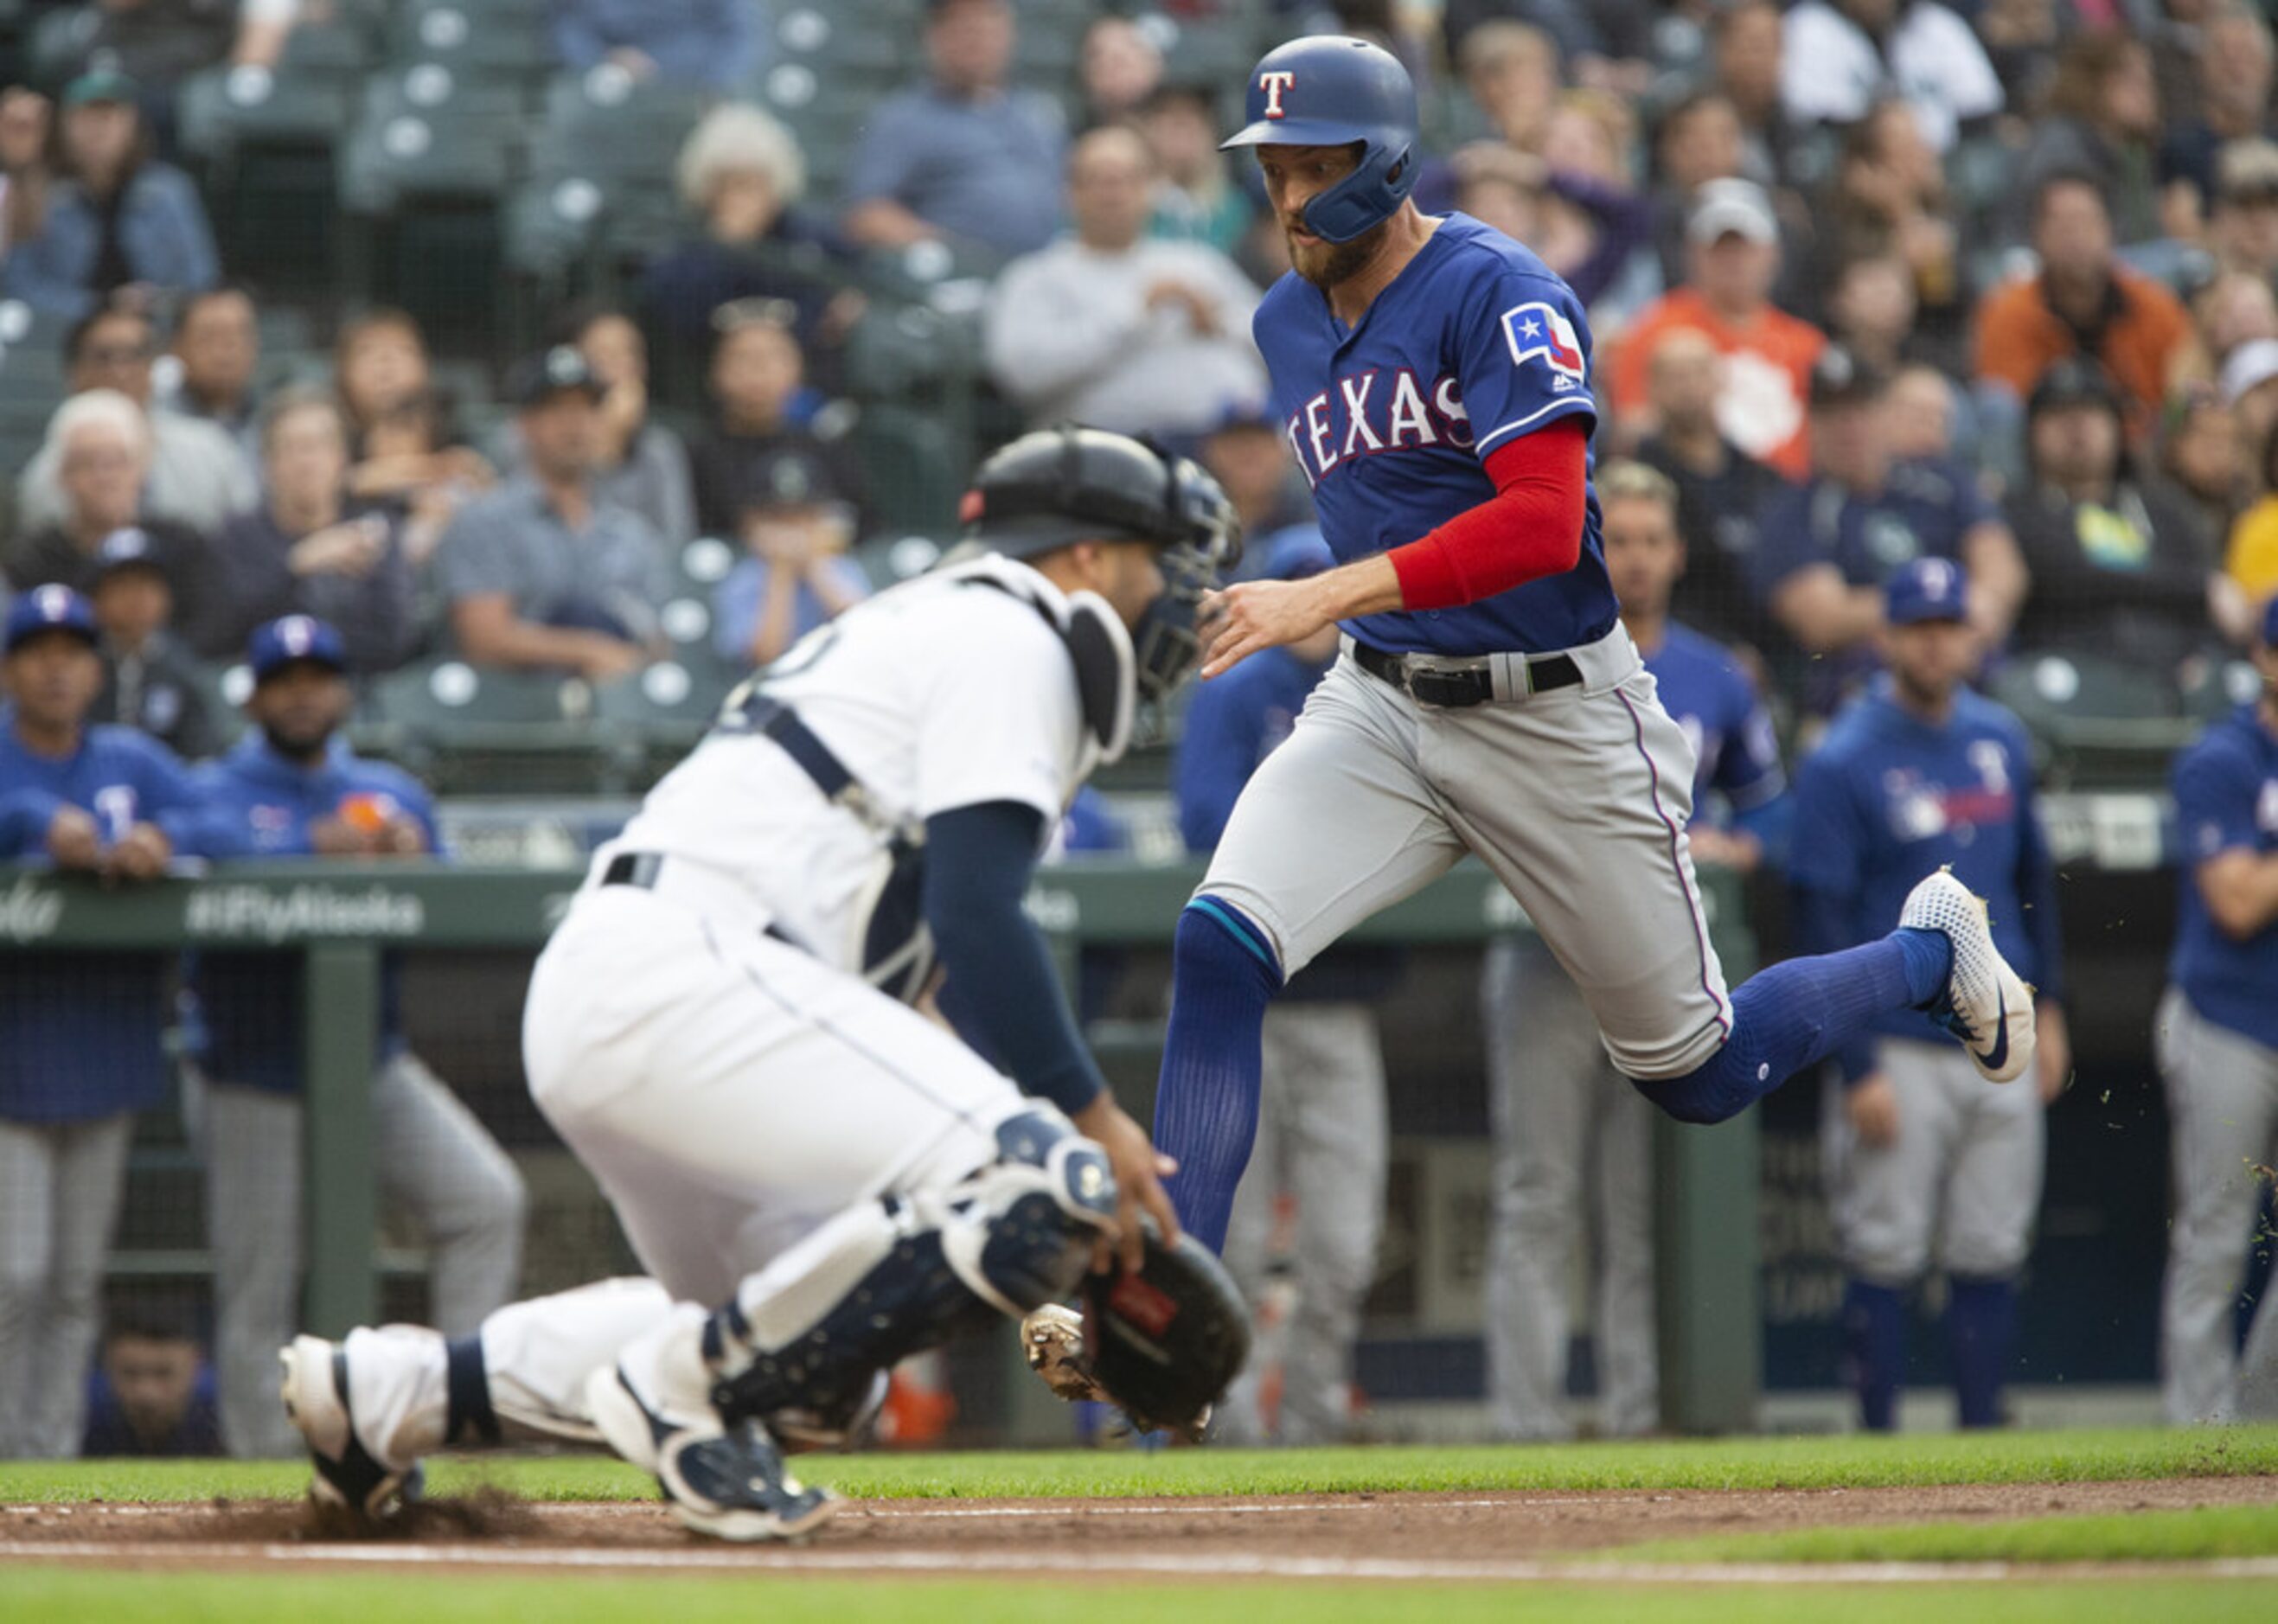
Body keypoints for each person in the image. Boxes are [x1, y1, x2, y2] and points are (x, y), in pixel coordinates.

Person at [1149, 40, 2038, 1285]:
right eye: (1274, 170)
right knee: (1216, 944)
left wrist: (1327, 590)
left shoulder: (1495, 287)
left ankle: (1926, 953)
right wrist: (1342, 607)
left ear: (1388, 160)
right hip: (1380, 704)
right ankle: (1167, 1292)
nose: (1292, 197)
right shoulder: (1282, 318)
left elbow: (1531, 522)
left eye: (1318, 166)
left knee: (1698, 1073)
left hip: (1555, 711)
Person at [275, 430, 1238, 1538]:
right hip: (697, 972)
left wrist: (1034, 1245)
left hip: (652, 983)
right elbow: (979, 913)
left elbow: (909, 989)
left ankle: (390, 1394)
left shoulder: (940, 625)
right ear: (1080, 557)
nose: (1175, 590)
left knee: (819, 1364)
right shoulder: (1010, 627)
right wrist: (1089, 1130)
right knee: (1034, 1182)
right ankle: (684, 1398)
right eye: (1158, 557)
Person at [1481, 460, 1786, 1442]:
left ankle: (1636, 1416)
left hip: (1660, 957)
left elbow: (1774, 810)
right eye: (1621, 538)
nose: (1639, 558)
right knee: (1539, 1196)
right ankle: (1522, 1428)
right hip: (1543, 959)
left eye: (1655, 539)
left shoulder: (1714, 672)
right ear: (1587, 541)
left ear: (1678, 553)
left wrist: (1737, 840)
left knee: (1638, 1210)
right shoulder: (1526, 642)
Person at [185, 615, 527, 1457]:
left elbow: (451, 895)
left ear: (342, 690)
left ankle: (463, 1421)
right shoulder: (217, 785)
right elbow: (195, 845)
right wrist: (309, 847)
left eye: (319, 677)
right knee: (259, 1285)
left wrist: (409, 856)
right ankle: (263, 1474)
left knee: (486, 1200)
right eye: (286, 679)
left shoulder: (388, 788)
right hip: (250, 1071)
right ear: (258, 695)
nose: (304, 694)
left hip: (370, 1062)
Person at [1791, 557, 2068, 1432]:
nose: (1936, 642)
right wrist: (1857, 1060)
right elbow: (1820, 915)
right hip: (1899, 1039)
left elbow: (2035, 880)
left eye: (1950, 625)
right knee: (1885, 1249)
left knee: (1990, 1247)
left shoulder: (2001, 737)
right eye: (1919, 626)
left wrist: (2051, 1006)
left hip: (2003, 1032)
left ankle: (1981, 1436)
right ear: (1887, 637)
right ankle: (1877, 1445)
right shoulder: (1843, 755)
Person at [0, 586, 228, 1459]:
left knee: (70, 1284)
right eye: (36, 649)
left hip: (107, 1047)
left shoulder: (130, 758)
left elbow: (224, 818)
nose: (56, 666)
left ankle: (43, 1461)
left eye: (73, 650)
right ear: (10, 667)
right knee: (13, 1277)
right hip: (12, 1056)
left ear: (97, 669)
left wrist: (163, 839)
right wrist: (29, 823)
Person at [1175, 531, 1393, 1448]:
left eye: (1325, 578)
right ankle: (1223, 1436)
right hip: (1250, 1008)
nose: (1313, 593)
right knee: (1234, 1236)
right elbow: (1204, 819)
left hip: (1344, 1001)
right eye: (1296, 578)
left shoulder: (1391, 676)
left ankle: (1309, 1427)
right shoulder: (1239, 684)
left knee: (1345, 1244)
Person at [1751, 348, 2026, 713]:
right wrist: (1942, 613)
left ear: (1885, 414)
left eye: (1860, 408)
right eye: (1832, 413)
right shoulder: (1791, 512)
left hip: (1970, 660)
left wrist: (1966, 621)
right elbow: (1824, 620)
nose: (1848, 426)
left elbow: (2003, 569)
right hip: (1862, 684)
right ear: (1811, 424)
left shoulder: (1941, 480)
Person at [2159, 598, 2278, 1423]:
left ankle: (2264, 1424)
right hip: (2229, 1022)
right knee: (2218, 1238)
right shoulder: (2223, 758)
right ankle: (2197, 1437)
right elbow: (2235, 903)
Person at [986, 127, 1264, 440]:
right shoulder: (1036, 277)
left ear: (1151, 189)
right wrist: (1134, 317)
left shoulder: (1197, 262)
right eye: (1099, 180)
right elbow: (1022, 375)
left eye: (1127, 179)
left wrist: (1218, 322)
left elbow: (1273, 336)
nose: (1113, 193)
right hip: (1095, 454)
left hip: (1223, 446)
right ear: (1070, 192)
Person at [432, 347, 669, 681]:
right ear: (526, 424)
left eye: (587, 408)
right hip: (513, 718)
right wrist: (589, 650)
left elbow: (659, 642)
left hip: (618, 715)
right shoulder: (484, 520)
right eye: (557, 408)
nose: (574, 423)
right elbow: (483, 640)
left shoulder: (630, 531)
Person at [2005, 357, 2226, 674]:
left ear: (2118, 429)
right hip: (2065, 674)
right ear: (2031, 432)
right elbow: (2059, 574)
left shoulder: (2164, 510)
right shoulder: (2017, 511)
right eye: (2058, 413)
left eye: (2092, 412)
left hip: (2171, 672)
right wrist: (2198, 588)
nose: (2076, 426)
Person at [1609, 178, 1827, 481]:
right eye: (1719, 249)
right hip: (1688, 490)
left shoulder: (1806, 345)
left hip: (1787, 497)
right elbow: (1631, 427)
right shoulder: (1654, 330)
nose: (1733, 261)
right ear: (1693, 254)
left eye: (1744, 248)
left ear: (1772, 254)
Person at [202, 388, 419, 675]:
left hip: (361, 689)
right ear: (267, 463)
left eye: (318, 445)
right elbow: (222, 636)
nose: (306, 462)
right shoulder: (236, 536)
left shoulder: (374, 530)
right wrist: (295, 566)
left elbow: (394, 638)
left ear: (343, 458)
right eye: (291, 447)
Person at [841, 0, 1066, 264]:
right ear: (932, 36)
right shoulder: (903, 119)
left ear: (1009, 31)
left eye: (988, 19)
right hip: (959, 284)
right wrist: (949, 252)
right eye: (960, 23)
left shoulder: (1037, 112)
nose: (975, 33)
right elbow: (866, 216)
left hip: (1048, 279)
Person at [639, 103, 854, 374]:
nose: (741, 197)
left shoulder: (807, 237)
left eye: (753, 183)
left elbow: (858, 269)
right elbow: (675, 314)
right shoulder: (687, 247)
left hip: (804, 374)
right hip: (706, 379)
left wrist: (851, 298)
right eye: (728, 184)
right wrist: (726, 246)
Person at [16, 303, 259, 539]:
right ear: (74, 373)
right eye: (104, 356)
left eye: (135, 355)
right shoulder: (47, 476)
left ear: (154, 366)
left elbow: (244, 543)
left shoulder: (210, 449)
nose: (121, 371)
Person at [1974, 174, 2192, 431]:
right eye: (2062, 225)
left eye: (2086, 222)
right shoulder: (2007, 312)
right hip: (2042, 454)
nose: (2075, 236)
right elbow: (2008, 410)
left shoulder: (2154, 307)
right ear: (2037, 236)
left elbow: (2179, 395)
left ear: (2109, 229)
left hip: (2143, 450)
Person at [0, 71, 217, 317]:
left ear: (134, 125)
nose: (98, 130)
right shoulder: (38, 192)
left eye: (109, 117)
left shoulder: (170, 191)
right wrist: (101, 306)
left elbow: (201, 279)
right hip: (58, 334)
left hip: (155, 331)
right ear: (63, 125)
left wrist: (154, 301)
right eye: (85, 117)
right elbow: (18, 283)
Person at [8, 387, 217, 637]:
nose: (104, 476)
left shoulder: (182, 546)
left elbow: (207, 637)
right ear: (62, 475)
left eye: (117, 461)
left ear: (143, 469)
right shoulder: (32, 560)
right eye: (87, 462)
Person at [1630, 326, 1784, 652]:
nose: (1688, 386)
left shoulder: (1760, 477)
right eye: (1674, 376)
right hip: (1673, 641)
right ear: (1652, 387)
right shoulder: (1636, 479)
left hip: (1765, 639)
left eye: (1698, 372)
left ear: (1720, 379)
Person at [497, 307, 696, 551]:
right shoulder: (521, 433)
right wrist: (604, 446)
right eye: (604, 354)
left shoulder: (659, 448)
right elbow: (522, 522)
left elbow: (675, 545)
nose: (621, 367)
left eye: (630, 353)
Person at [688, 308, 861, 539]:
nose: (758, 371)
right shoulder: (693, 455)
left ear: (799, 371)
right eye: (742, 358)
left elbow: (867, 531)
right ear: (714, 372)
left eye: (774, 357)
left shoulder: (827, 448)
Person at [711, 444, 871, 668]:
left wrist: (815, 569)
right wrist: (780, 574)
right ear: (749, 524)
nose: (790, 530)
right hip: (768, 697)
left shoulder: (841, 569)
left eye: (802, 517)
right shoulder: (742, 580)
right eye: (777, 518)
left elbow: (866, 635)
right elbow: (766, 658)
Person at [1779, 0, 2004, 156]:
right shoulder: (1809, 28)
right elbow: (1811, 119)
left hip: (1945, 168)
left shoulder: (1935, 25)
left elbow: (1982, 106)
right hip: (1850, 168)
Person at [87, 525, 221, 761]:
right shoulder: (81, 664)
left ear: (166, 596)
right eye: (121, 586)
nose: (135, 598)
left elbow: (202, 756)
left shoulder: (183, 668)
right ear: (97, 598)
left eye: (146, 585)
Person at [80, 1315, 225, 1457]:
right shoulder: (79, 1414)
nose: (147, 1394)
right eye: (130, 1374)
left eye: (164, 1373)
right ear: (107, 1366)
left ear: (196, 1365)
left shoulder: (226, 1415)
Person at [549, 0, 760, 93]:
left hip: (692, 92)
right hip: (610, 92)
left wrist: (657, 65)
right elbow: (568, 27)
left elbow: (741, 39)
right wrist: (606, 58)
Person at [159, 284, 263, 471]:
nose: (226, 350)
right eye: (210, 336)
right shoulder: (155, 430)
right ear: (176, 347)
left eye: (239, 335)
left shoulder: (273, 421)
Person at [1142, 83, 1253, 255]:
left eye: (1196, 115)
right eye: (1168, 116)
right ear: (1149, 130)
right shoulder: (1129, 206)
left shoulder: (1236, 209)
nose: (1183, 125)